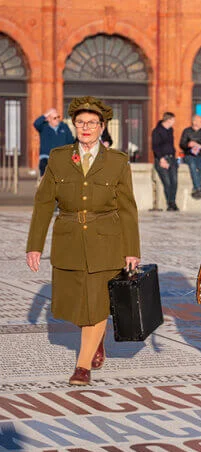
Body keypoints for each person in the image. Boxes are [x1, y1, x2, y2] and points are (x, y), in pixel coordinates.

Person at [25, 96, 140, 386]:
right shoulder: (59, 157)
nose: (85, 128)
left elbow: (128, 208)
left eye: (91, 123)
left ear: (102, 127)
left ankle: (82, 365)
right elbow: (43, 204)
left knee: (98, 303)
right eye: (80, 122)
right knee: (78, 304)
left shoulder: (117, 162)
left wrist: (132, 251)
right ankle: (96, 340)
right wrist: (34, 245)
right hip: (69, 240)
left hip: (106, 241)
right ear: (73, 125)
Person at [34, 107, 74, 177]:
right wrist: (45, 114)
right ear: (48, 119)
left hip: (61, 156)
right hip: (46, 156)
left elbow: (70, 141)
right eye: (54, 118)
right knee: (44, 167)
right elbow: (36, 124)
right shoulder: (43, 126)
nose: (57, 119)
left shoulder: (64, 126)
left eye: (58, 117)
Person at [151, 112, 179, 211]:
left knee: (174, 181)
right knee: (167, 182)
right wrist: (161, 159)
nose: (174, 122)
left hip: (171, 158)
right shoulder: (157, 131)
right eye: (173, 120)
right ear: (168, 120)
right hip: (161, 159)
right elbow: (155, 146)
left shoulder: (170, 130)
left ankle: (173, 202)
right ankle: (170, 204)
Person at [179, 115, 201, 199]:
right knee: (192, 166)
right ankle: (198, 187)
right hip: (189, 155)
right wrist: (188, 145)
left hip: (200, 155)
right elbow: (181, 144)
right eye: (200, 121)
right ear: (194, 122)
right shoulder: (187, 131)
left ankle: (196, 187)